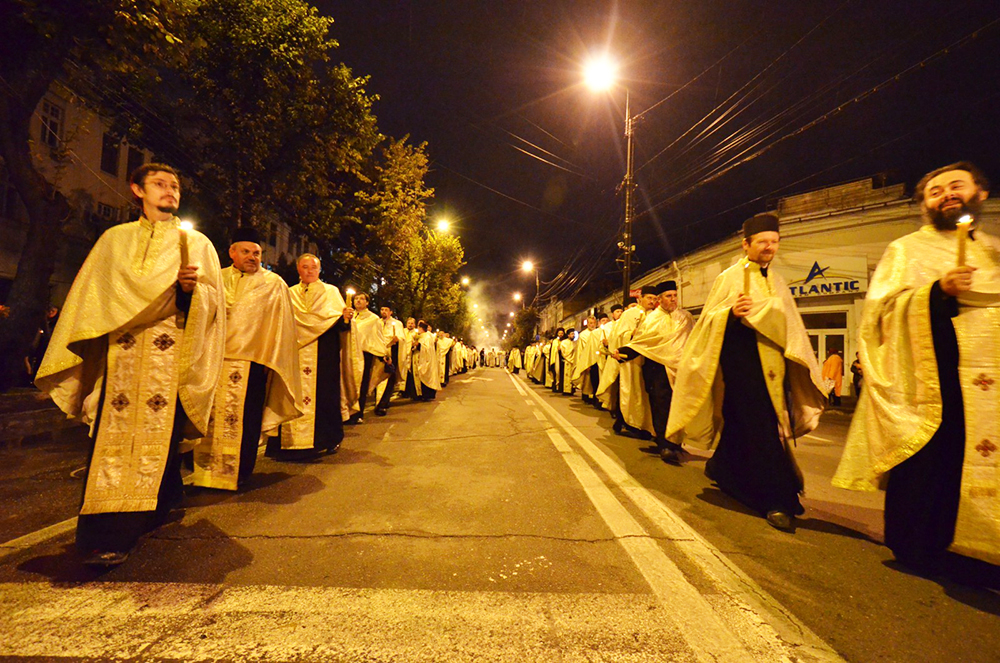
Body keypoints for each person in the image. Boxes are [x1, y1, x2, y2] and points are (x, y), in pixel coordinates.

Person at [35, 163, 226, 566]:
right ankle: (105, 535)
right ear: (136, 190)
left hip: (170, 358)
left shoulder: (199, 246)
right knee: (113, 444)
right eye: (159, 184)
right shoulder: (113, 241)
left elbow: (214, 307)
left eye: (174, 185)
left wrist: (191, 293)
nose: (170, 191)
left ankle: (150, 512)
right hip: (119, 362)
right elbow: (92, 301)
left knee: (162, 439)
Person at [834, 162, 1000, 572]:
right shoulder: (906, 250)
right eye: (935, 191)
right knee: (933, 461)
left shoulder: (995, 250)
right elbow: (881, 313)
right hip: (933, 380)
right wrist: (937, 292)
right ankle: (920, 546)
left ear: (979, 193)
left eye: (956, 186)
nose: (946, 195)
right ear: (925, 204)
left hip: (992, 383)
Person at [667, 213, 826, 531]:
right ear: (746, 244)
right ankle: (775, 499)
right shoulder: (729, 277)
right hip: (741, 368)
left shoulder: (778, 281)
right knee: (761, 429)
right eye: (763, 242)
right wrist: (730, 313)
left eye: (775, 242)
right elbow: (708, 322)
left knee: (746, 427)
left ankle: (724, 469)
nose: (769, 247)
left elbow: (791, 327)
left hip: (774, 370)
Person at [192, 226, 301, 491]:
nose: (253, 257)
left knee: (246, 422)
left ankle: (239, 473)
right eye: (246, 252)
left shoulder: (273, 285)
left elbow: (283, 329)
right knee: (208, 419)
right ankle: (205, 475)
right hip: (213, 362)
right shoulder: (214, 279)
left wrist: (271, 363)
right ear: (232, 252)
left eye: (257, 252)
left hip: (252, 364)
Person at [268, 254, 356, 460]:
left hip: (323, 355)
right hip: (295, 355)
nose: (309, 271)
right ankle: (286, 445)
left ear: (319, 270)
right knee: (289, 394)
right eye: (305, 267)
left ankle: (325, 440)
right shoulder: (289, 293)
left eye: (313, 267)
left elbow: (339, 325)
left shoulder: (331, 292)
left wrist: (344, 320)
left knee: (324, 397)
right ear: (298, 269)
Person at [616, 281, 694, 463]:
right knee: (661, 407)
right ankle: (664, 444)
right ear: (660, 299)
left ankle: (676, 442)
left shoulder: (686, 317)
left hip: (680, 370)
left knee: (679, 406)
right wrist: (623, 353)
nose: (673, 299)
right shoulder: (651, 320)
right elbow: (641, 344)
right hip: (657, 371)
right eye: (669, 296)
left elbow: (695, 340)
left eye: (675, 295)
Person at [600, 295, 652, 437]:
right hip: (630, 361)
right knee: (629, 392)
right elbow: (618, 337)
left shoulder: (655, 315)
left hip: (648, 359)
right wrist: (631, 334)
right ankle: (628, 422)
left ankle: (644, 424)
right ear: (641, 299)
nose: (652, 301)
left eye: (654, 298)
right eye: (649, 298)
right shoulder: (629, 315)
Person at [352, 293, 389, 422]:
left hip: (364, 354)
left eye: (361, 299)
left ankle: (358, 413)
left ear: (367, 302)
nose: (358, 301)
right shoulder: (350, 317)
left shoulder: (373, 319)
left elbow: (378, 337)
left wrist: (383, 354)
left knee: (361, 383)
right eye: (356, 298)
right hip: (349, 354)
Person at [373, 304, 404, 415]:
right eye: (382, 309)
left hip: (392, 352)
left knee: (389, 377)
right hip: (378, 352)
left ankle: (383, 403)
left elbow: (402, 338)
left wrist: (397, 339)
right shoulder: (377, 322)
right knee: (377, 376)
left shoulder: (397, 324)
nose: (384, 311)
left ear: (390, 312)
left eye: (386, 310)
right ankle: (378, 400)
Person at [572, 316, 600, 404]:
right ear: (587, 324)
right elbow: (580, 350)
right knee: (587, 380)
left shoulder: (598, 332)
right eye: (590, 323)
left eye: (594, 323)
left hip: (597, 358)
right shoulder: (583, 335)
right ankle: (586, 396)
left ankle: (595, 396)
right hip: (587, 359)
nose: (592, 325)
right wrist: (583, 362)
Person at [414, 320, 441, 399]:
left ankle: (427, 395)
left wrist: (418, 345)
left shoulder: (427, 336)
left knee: (427, 376)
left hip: (426, 360)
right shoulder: (423, 336)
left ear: (421, 328)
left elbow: (426, 348)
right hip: (422, 359)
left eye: (418, 328)